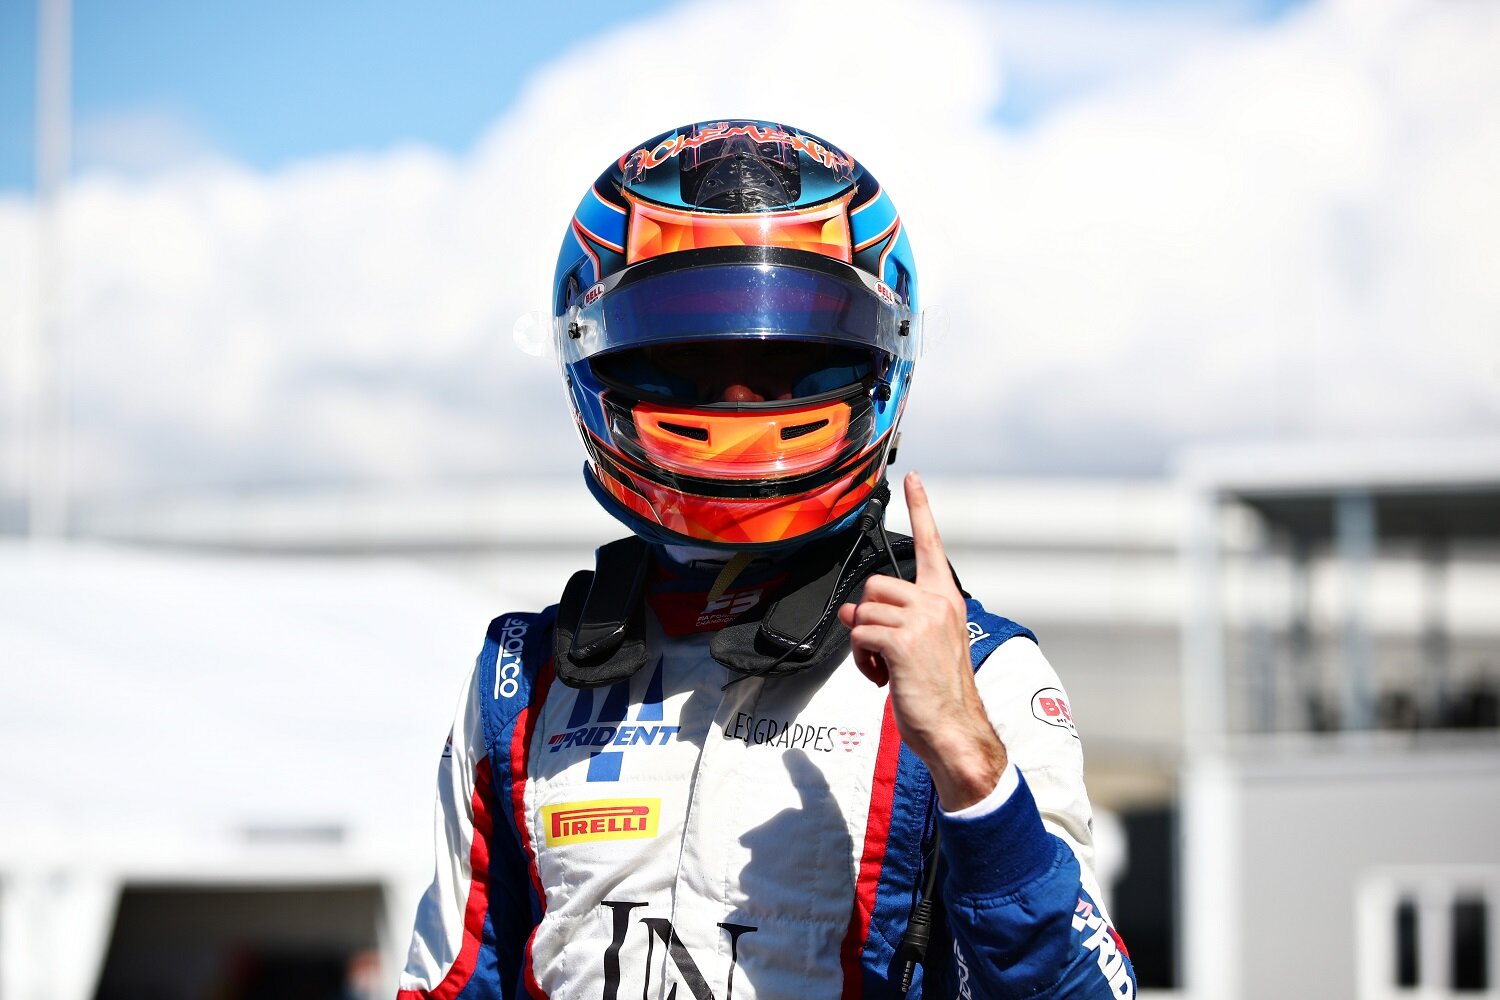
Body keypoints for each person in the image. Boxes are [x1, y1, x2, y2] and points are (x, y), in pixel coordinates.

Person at [398, 119, 1136, 999]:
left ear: (877, 357)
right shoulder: (521, 677)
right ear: (595, 351)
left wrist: (972, 765)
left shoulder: (978, 669)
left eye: (789, 360)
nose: (741, 398)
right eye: (691, 359)